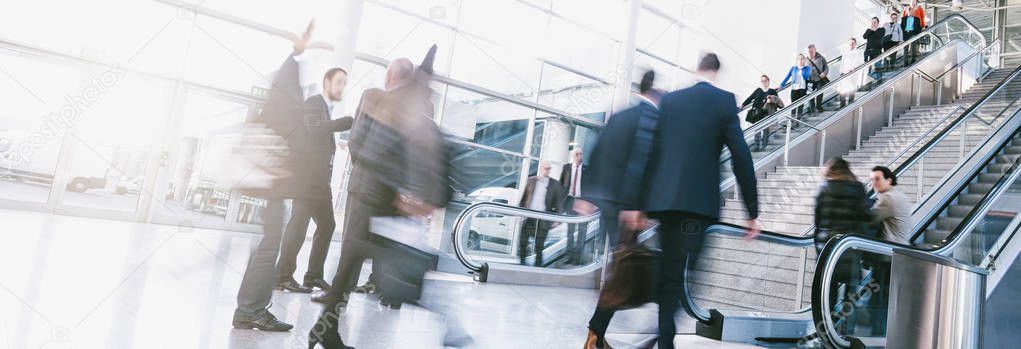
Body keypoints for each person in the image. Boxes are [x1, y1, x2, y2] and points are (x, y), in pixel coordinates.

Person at [310, 46, 450, 349]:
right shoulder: (375, 98)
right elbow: (360, 145)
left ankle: (324, 329)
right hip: (368, 193)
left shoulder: (405, 107)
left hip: (385, 198)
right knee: (358, 259)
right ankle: (325, 329)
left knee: (360, 259)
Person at [639, 53, 760, 349]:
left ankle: (664, 340)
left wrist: (642, 204)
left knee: (669, 272)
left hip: (666, 205)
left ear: (698, 69)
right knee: (688, 271)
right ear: (716, 72)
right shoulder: (724, 101)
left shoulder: (671, 100)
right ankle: (663, 338)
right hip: (697, 211)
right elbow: (741, 158)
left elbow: (653, 153)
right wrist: (752, 212)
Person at [232, 21, 347, 332]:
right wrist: (297, 51)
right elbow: (286, 94)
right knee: (270, 244)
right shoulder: (295, 99)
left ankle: (250, 309)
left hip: (275, 183)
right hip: (272, 183)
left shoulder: (292, 99)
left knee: (269, 243)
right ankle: (250, 309)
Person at [310, 57, 424, 308]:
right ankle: (389, 293)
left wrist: (364, 167)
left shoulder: (373, 96)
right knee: (385, 243)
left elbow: (356, 139)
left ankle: (340, 294)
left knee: (354, 242)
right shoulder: (415, 109)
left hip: (366, 186)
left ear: (389, 77)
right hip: (393, 192)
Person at [581, 70, 663, 349]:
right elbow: (638, 163)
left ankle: (596, 335)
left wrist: (586, 194)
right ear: (654, 93)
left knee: (620, 265)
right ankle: (595, 334)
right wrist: (635, 207)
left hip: (604, 199)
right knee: (623, 268)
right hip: (624, 205)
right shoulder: (649, 118)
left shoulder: (619, 115)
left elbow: (596, 149)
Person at [273, 62, 355, 295]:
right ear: (327, 83)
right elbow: (314, 129)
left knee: (327, 225)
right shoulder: (313, 103)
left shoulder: (325, 108)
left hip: (320, 184)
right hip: (306, 181)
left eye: (345, 83)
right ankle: (282, 276)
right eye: (339, 81)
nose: (342, 87)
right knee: (298, 227)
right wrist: (344, 122)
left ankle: (313, 276)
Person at [813, 157, 870, 251]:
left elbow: (817, 222)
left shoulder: (823, 188)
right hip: (849, 244)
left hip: (825, 244)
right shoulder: (857, 188)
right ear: (846, 170)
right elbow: (865, 217)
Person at [518, 161, 564, 266]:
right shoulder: (531, 180)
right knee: (523, 242)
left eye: (549, 168)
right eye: (545, 168)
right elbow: (524, 199)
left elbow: (559, 204)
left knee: (539, 246)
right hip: (529, 217)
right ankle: (522, 263)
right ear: (541, 168)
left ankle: (538, 267)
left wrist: (558, 220)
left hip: (543, 219)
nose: (547, 170)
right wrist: (518, 213)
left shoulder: (555, 184)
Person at [560, 148, 589, 265]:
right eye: (576, 154)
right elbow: (561, 185)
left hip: (582, 202)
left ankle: (578, 258)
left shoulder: (587, 169)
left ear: (582, 155)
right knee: (570, 231)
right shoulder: (566, 168)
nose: (578, 156)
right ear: (573, 155)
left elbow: (591, 188)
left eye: (580, 154)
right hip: (570, 201)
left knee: (582, 231)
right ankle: (569, 256)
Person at [869, 166, 912, 244]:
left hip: (890, 248)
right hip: (901, 244)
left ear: (888, 181)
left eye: (877, 179)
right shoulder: (899, 194)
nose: (873, 183)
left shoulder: (888, 197)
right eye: (872, 180)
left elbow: (869, 218)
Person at [740, 75, 778, 151]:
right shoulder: (758, 90)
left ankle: (764, 146)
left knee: (766, 130)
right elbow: (750, 98)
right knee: (757, 130)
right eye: (762, 81)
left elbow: (777, 101)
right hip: (757, 113)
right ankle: (757, 146)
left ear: (768, 81)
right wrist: (742, 105)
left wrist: (771, 101)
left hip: (766, 113)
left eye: (765, 81)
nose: (763, 83)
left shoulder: (772, 91)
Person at [779, 54, 812, 120]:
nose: (800, 60)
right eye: (799, 59)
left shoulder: (807, 68)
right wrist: (781, 85)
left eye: (802, 58)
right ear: (797, 60)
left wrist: (802, 68)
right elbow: (787, 77)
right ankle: (792, 121)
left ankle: (798, 121)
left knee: (800, 106)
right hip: (794, 89)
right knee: (793, 107)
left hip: (802, 89)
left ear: (804, 60)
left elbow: (806, 76)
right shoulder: (793, 68)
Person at [838, 38, 865, 107]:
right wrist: (841, 72)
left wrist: (853, 69)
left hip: (853, 74)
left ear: (855, 44)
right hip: (844, 74)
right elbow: (842, 63)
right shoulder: (845, 53)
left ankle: (850, 105)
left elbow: (861, 62)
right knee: (842, 91)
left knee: (852, 90)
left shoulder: (859, 52)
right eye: (850, 44)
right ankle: (842, 105)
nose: (851, 45)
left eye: (852, 43)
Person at [806, 44, 829, 113]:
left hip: (819, 79)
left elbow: (826, 67)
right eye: (809, 52)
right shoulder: (805, 59)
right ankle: (812, 108)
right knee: (810, 95)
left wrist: (824, 73)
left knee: (820, 93)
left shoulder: (821, 57)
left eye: (812, 51)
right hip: (810, 80)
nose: (810, 53)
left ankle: (819, 106)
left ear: (815, 50)